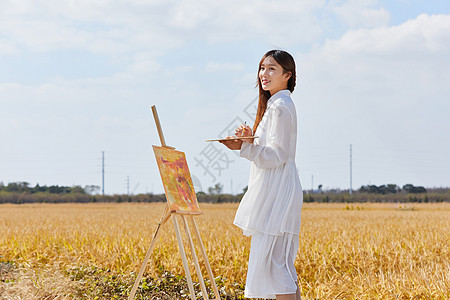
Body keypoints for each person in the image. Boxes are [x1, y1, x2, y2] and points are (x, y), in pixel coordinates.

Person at [219, 50, 303, 300]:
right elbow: (273, 149)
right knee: (281, 264)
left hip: (276, 190)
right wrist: (250, 138)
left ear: (287, 75)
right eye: (262, 68)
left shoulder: (280, 107)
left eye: (272, 69)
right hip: (278, 188)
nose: (264, 74)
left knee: (276, 266)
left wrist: (243, 147)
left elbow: (277, 155)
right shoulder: (277, 104)